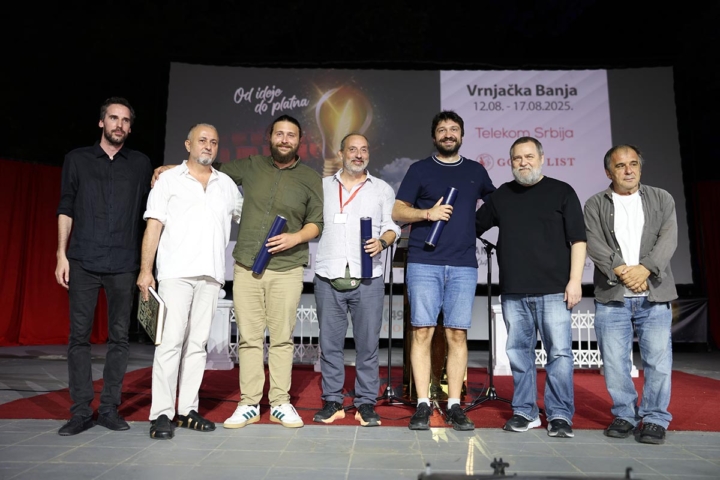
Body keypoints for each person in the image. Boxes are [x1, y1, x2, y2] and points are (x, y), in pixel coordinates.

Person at [154, 115, 323, 428]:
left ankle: (280, 402)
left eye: (291, 135)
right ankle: (248, 403)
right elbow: (207, 167)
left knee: (282, 339)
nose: (285, 139)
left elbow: (317, 222)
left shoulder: (310, 178)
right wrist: (171, 170)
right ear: (270, 137)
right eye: (279, 134)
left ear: (300, 141)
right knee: (249, 339)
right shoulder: (250, 166)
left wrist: (295, 237)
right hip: (246, 267)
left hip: (287, 268)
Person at [475, 136, 586, 438]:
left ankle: (559, 415)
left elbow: (578, 239)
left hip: (555, 290)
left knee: (559, 354)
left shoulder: (562, 191)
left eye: (529, 157)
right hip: (514, 291)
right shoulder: (502, 195)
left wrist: (575, 280)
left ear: (542, 158)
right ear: (511, 162)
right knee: (519, 354)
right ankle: (525, 411)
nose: (523, 163)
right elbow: (473, 225)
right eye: (517, 158)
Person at [55, 97, 152, 436]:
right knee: (78, 338)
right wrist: (61, 254)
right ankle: (81, 411)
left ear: (130, 127)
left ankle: (109, 408)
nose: (119, 125)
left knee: (119, 339)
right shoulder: (77, 159)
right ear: (102, 122)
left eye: (125, 120)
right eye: (113, 118)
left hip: (123, 263)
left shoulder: (140, 164)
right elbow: (66, 207)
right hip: (83, 259)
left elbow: (152, 210)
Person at [392, 111, 495, 431]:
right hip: (424, 262)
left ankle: (454, 405)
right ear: (434, 136)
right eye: (442, 130)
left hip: (463, 265)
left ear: (462, 135)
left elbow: (495, 206)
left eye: (454, 129)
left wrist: (472, 226)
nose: (448, 134)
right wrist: (428, 214)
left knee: (457, 334)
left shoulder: (476, 171)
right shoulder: (419, 169)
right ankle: (423, 403)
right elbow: (398, 211)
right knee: (422, 332)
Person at [137, 124, 241, 440]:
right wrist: (145, 270)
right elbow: (153, 225)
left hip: (211, 275)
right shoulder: (169, 180)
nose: (208, 146)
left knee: (197, 346)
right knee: (170, 343)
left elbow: (249, 217)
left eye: (214, 142)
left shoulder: (226, 185)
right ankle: (161, 413)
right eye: (202, 140)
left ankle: (186, 410)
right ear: (188, 144)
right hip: (175, 274)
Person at [584, 145, 677, 445]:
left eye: (633, 164)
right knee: (614, 362)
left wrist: (645, 269)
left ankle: (654, 418)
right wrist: (625, 272)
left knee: (658, 362)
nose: (628, 170)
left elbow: (668, 238)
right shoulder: (595, 204)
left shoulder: (662, 198)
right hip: (613, 295)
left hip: (654, 295)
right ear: (608, 172)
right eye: (620, 165)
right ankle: (624, 414)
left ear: (640, 167)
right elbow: (594, 243)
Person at [312, 133, 400, 427]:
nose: (358, 155)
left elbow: (392, 227)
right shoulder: (322, 187)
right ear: (341, 154)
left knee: (368, 346)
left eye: (363, 149)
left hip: (369, 278)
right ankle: (333, 401)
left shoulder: (382, 189)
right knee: (330, 345)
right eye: (352, 149)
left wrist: (383, 242)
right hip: (328, 276)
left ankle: (366, 403)